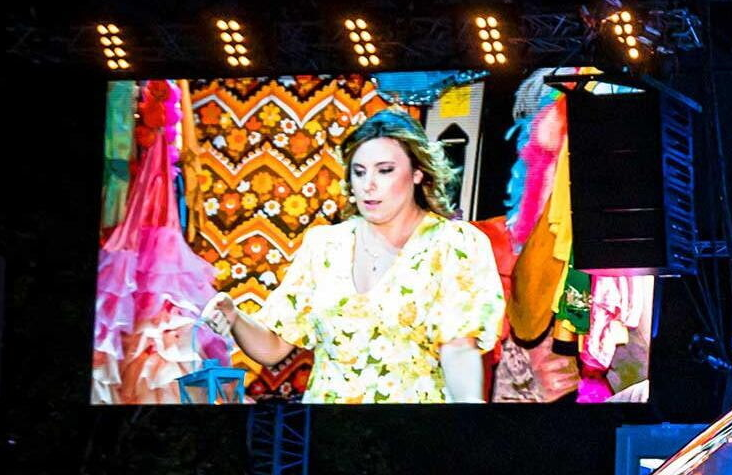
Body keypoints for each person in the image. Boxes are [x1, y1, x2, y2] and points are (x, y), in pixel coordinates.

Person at [201, 110, 505, 403]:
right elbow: (274, 348)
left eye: (384, 171)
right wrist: (234, 317)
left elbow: (459, 349)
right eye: (359, 172)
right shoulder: (324, 245)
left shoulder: (454, 244)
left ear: (417, 173)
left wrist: (468, 407)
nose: (368, 184)